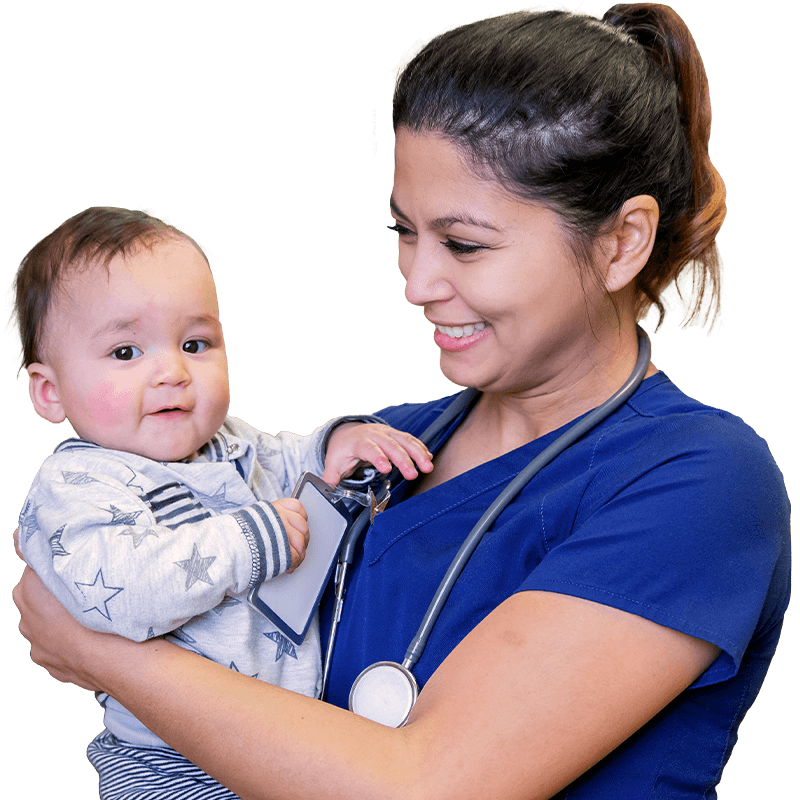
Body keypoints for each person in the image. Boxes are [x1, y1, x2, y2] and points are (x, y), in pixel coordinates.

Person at [13, 5, 790, 799]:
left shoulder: (699, 480)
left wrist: (105, 653)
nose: (417, 284)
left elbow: (428, 789)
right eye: (403, 232)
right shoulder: (376, 447)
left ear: (622, 241)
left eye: (464, 244)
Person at [9, 206, 433, 799]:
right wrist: (252, 539)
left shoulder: (228, 442)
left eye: (195, 342)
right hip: (169, 763)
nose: (173, 372)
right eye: (126, 352)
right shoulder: (78, 485)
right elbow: (123, 594)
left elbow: (294, 463)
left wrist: (339, 442)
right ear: (50, 392)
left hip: (289, 740)